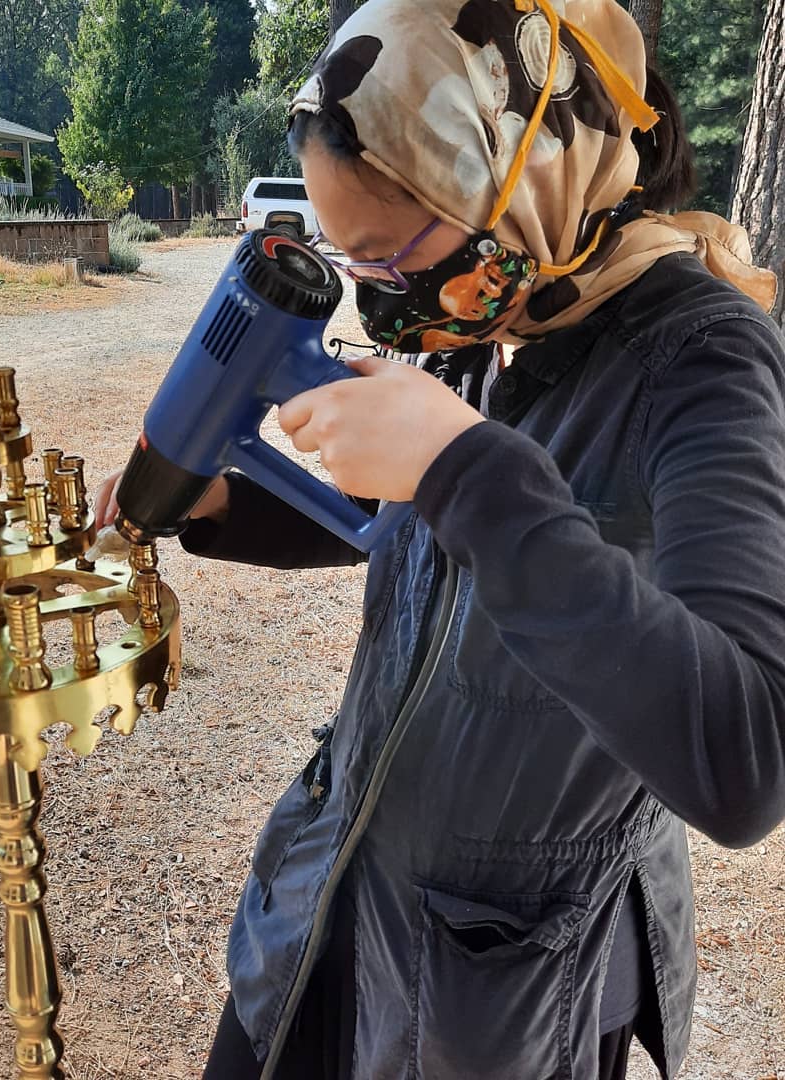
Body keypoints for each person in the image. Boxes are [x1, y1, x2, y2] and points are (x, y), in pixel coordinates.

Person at [95, 0, 785, 1075]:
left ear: (511, 175)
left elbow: (743, 759)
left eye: (390, 254)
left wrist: (465, 466)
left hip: (499, 986)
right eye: (352, 261)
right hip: (333, 893)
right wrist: (218, 503)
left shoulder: (704, 357)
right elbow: (406, 521)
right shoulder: (493, 308)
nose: (380, 299)